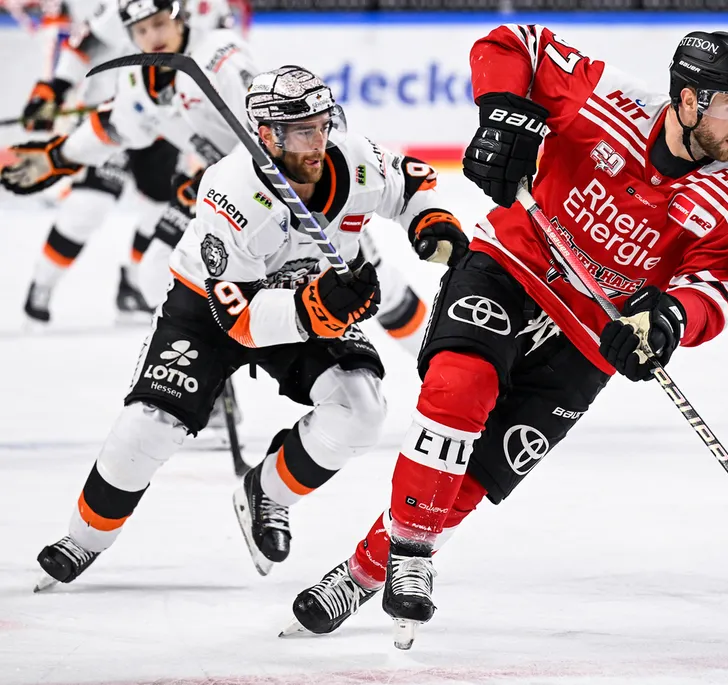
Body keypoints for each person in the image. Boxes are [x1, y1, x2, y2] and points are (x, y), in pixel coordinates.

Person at [286, 26, 728, 648]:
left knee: (476, 476)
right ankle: (413, 550)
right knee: (460, 388)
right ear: (688, 99)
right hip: (512, 267)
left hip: (591, 334)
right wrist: (504, 113)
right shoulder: (608, 99)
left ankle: (361, 572)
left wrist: (670, 317)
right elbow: (512, 43)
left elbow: (721, 290)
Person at [26, 63, 468, 590]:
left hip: (307, 293)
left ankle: (268, 493)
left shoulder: (354, 160)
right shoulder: (231, 192)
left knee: (361, 411)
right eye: (304, 131)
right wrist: (315, 312)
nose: (319, 141)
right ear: (267, 135)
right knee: (147, 427)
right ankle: (83, 539)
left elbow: (412, 180)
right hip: (211, 306)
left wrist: (432, 220)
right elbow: (240, 321)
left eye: (323, 125)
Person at [16, 0, 242, 324]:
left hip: (167, 123)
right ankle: (43, 285)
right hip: (114, 114)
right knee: (89, 205)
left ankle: (134, 284)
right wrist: (57, 86)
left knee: (157, 208)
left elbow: (215, 62)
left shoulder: (215, 8)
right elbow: (87, 38)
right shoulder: (136, 4)